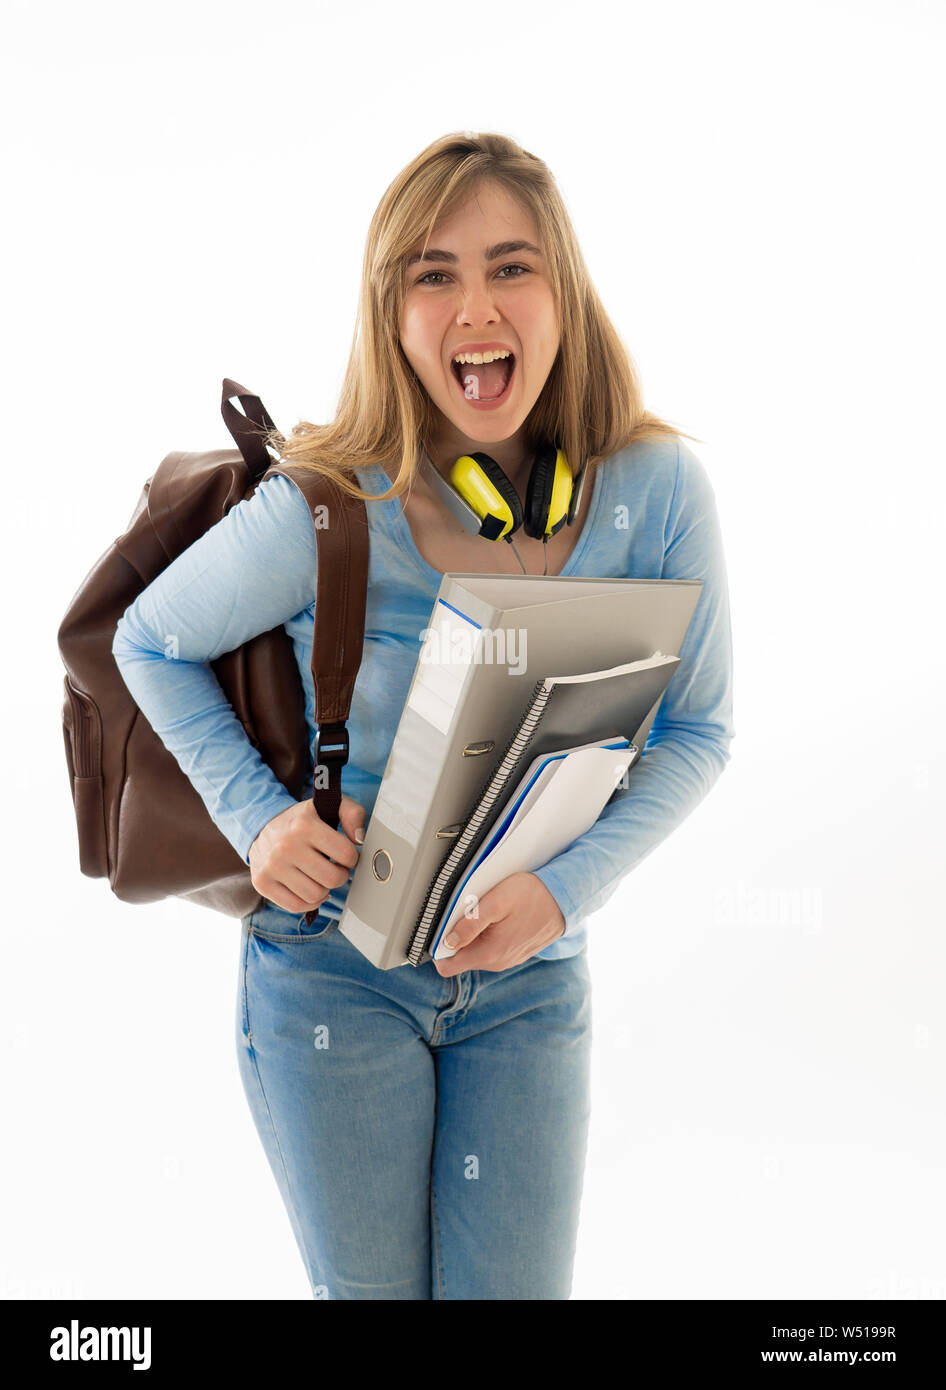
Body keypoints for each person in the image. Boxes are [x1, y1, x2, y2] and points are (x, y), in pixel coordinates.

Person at [111, 131, 735, 1300]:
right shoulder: (333, 507)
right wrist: (257, 821)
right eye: (432, 274)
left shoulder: (656, 492)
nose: (474, 306)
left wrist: (563, 889)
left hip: (532, 975)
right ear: (390, 312)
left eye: (512, 266)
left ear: (564, 290)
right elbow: (147, 639)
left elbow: (697, 731)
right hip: (332, 973)